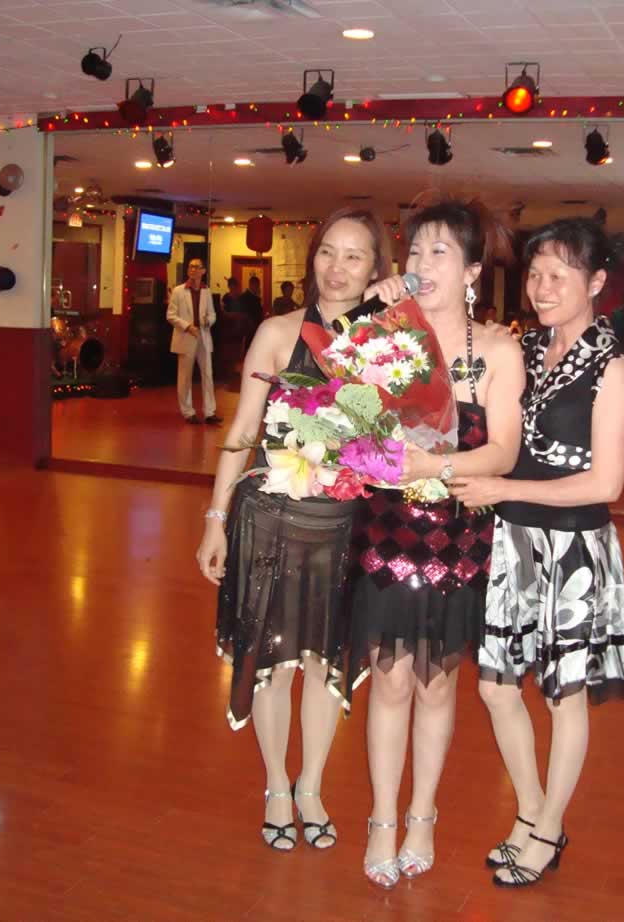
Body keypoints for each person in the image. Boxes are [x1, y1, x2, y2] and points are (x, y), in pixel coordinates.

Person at [449, 216, 624, 889]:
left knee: (564, 696)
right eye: (535, 273)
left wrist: (503, 487)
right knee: (495, 686)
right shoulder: (521, 349)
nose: (542, 286)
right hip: (512, 541)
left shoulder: (611, 367)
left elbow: (606, 484)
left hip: (574, 550)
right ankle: (533, 812)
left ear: (596, 281)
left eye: (560, 274)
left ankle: (549, 824)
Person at [195, 208, 393, 854]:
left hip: (342, 527)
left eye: (354, 256)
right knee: (275, 664)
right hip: (271, 521)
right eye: (327, 252)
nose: (336, 268)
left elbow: (403, 433)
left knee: (322, 663)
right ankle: (278, 786)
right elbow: (242, 431)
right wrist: (215, 519)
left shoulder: (387, 344)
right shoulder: (278, 332)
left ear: (375, 268)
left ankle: (311, 785)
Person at [348, 200, 525, 889]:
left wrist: (434, 465)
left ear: (472, 271)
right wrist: (372, 315)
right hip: (385, 531)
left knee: (436, 683)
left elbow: (504, 452)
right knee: (389, 679)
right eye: (415, 251)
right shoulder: (387, 333)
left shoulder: (498, 351)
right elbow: (348, 420)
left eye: (440, 252)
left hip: (458, 538)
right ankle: (381, 818)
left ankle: (422, 814)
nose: (422, 264)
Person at [168, 258, 220, 424]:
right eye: (191, 267)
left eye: (197, 267)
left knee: (208, 374)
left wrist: (208, 321)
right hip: (186, 337)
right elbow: (170, 315)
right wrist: (187, 326)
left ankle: (209, 412)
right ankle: (188, 412)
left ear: (203, 271)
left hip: (203, 337)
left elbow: (212, 314)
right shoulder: (178, 291)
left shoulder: (206, 291)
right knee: (185, 377)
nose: (193, 269)